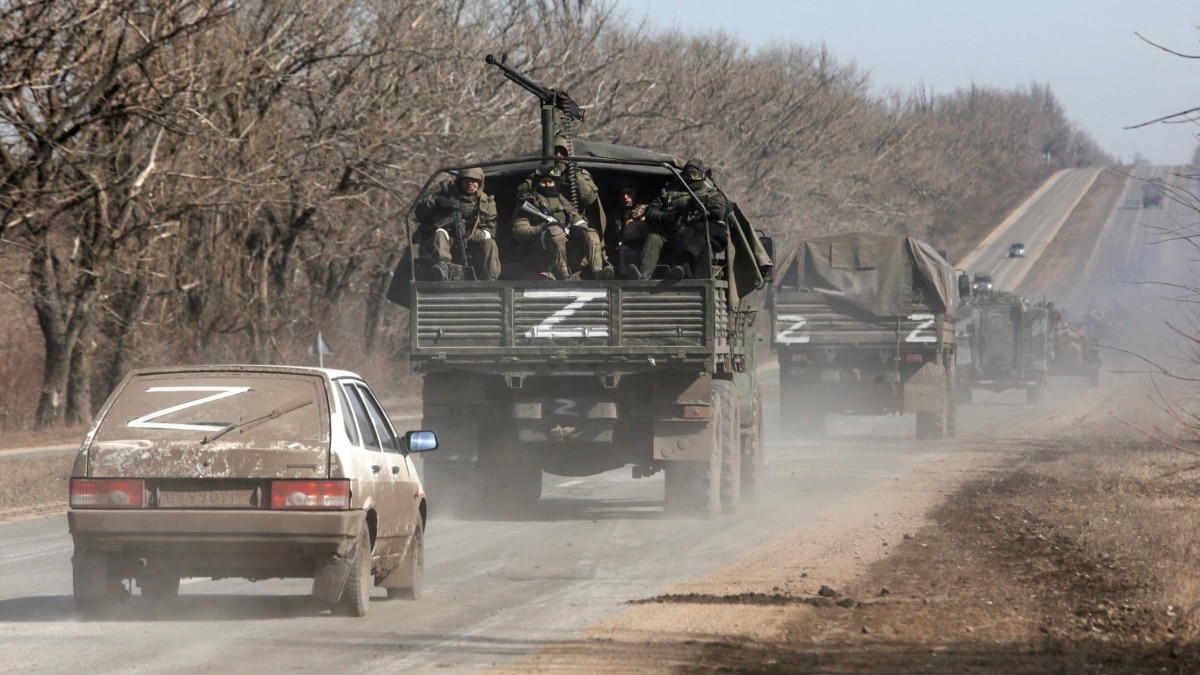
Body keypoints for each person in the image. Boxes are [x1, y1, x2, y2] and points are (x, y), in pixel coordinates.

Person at [511, 166, 613, 280]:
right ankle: (563, 276)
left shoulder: (563, 202)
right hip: (539, 254)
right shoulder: (529, 203)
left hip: (565, 250)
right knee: (556, 232)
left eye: (550, 182)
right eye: (543, 182)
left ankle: (597, 272)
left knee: (590, 233)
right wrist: (543, 228)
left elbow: (578, 220)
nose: (547, 185)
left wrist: (578, 229)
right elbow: (519, 231)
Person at [644, 159, 730, 279]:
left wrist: (704, 204)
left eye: (694, 175)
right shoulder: (669, 192)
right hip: (668, 233)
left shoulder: (712, 194)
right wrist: (668, 215)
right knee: (653, 238)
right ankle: (644, 275)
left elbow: (719, 213)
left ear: (701, 176)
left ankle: (680, 271)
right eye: (686, 175)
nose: (690, 178)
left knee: (685, 233)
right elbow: (650, 212)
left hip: (691, 235)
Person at [413, 167, 500, 280]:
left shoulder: (487, 203)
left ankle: (490, 279)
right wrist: (436, 201)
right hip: (448, 243)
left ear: (480, 183)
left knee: (490, 243)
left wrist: (471, 234)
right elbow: (419, 213)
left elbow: (491, 231)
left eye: (474, 181)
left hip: (472, 245)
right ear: (460, 182)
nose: (470, 184)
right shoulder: (447, 194)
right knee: (439, 233)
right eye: (466, 180)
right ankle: (443, 269)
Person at [608, 182, 663, 280]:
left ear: (636, 194)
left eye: (629, 193)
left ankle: (640, 275)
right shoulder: (615, 214)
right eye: (622, 194)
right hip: (622, 248)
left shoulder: (645, 210)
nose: (625, 197)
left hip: (642, 248)